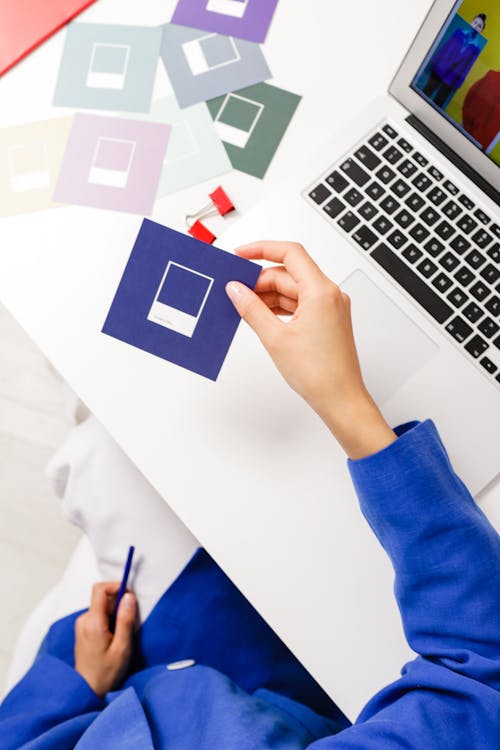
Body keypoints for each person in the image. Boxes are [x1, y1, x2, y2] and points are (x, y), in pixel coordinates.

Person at [0, 242, 499, 748]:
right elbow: (479, 674)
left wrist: (75, 684)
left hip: (123, 676)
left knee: (93, 450)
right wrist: (344, 400)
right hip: (284, 683)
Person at [423, 13, 487, 108]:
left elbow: (467, 67)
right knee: (426, 93)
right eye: (475, 22)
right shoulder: (458, 32)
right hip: (440, 68)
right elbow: (446, 46)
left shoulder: (476, 48)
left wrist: (458, 83)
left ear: (481, 30)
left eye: (479, 26)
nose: (476, 26)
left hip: (452, 78)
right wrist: (435, 62)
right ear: (471, 22)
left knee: (437, 104)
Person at [462, 68, 500, 151]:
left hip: (465, 127)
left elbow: (470, 96)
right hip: (479, 144)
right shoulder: (491, 76)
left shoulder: (491, 75)